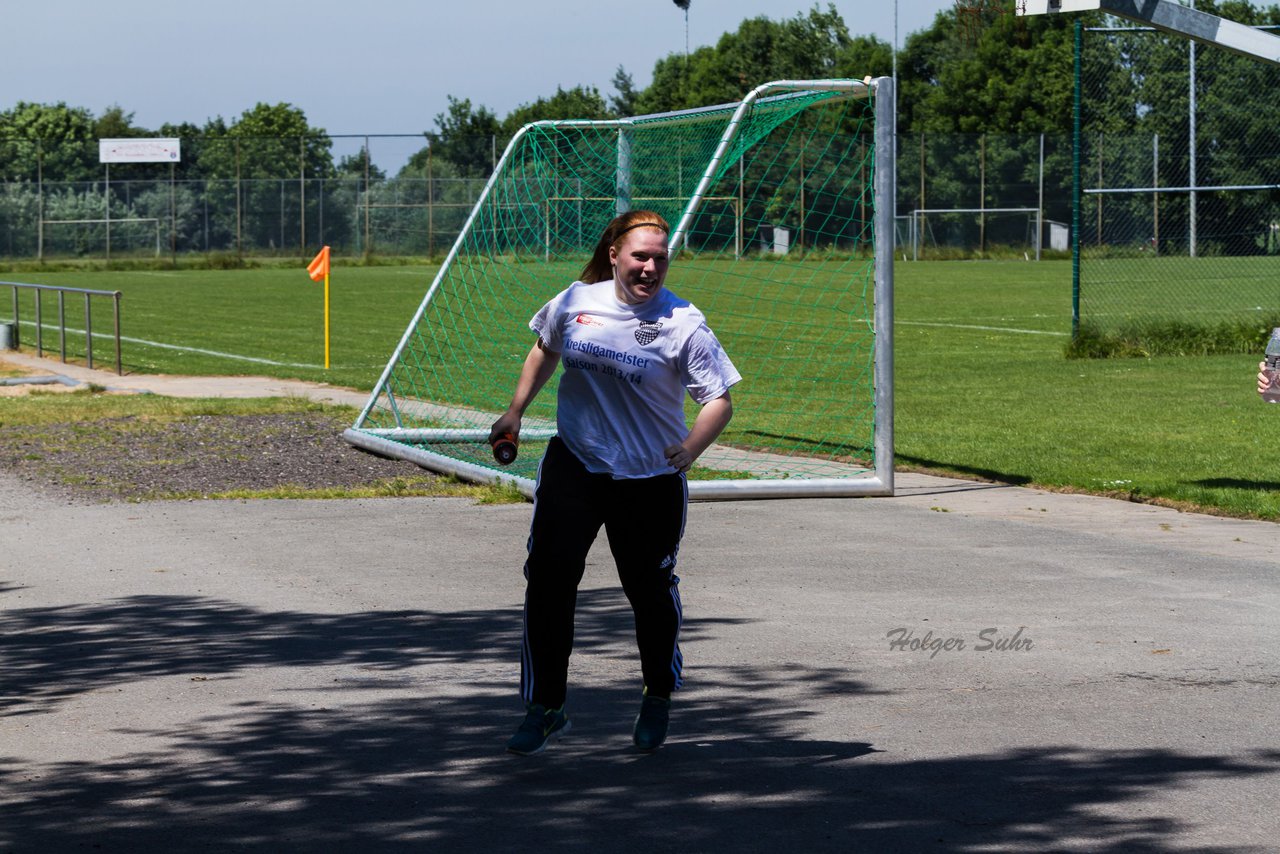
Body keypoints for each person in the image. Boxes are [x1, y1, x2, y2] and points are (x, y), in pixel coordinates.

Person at [489, 210, 740, 755]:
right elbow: (545, 349)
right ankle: (546, 706)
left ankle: (657, 694)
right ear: (614, 256)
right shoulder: (577, 301)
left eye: (660, 259)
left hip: (649, 478)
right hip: (575, 464)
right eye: (640, 257)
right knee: (549, 582)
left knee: (648, 592)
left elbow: (718, 399)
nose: (650, 268)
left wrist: (691, 448)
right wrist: (514, 411)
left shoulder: (683, 324)